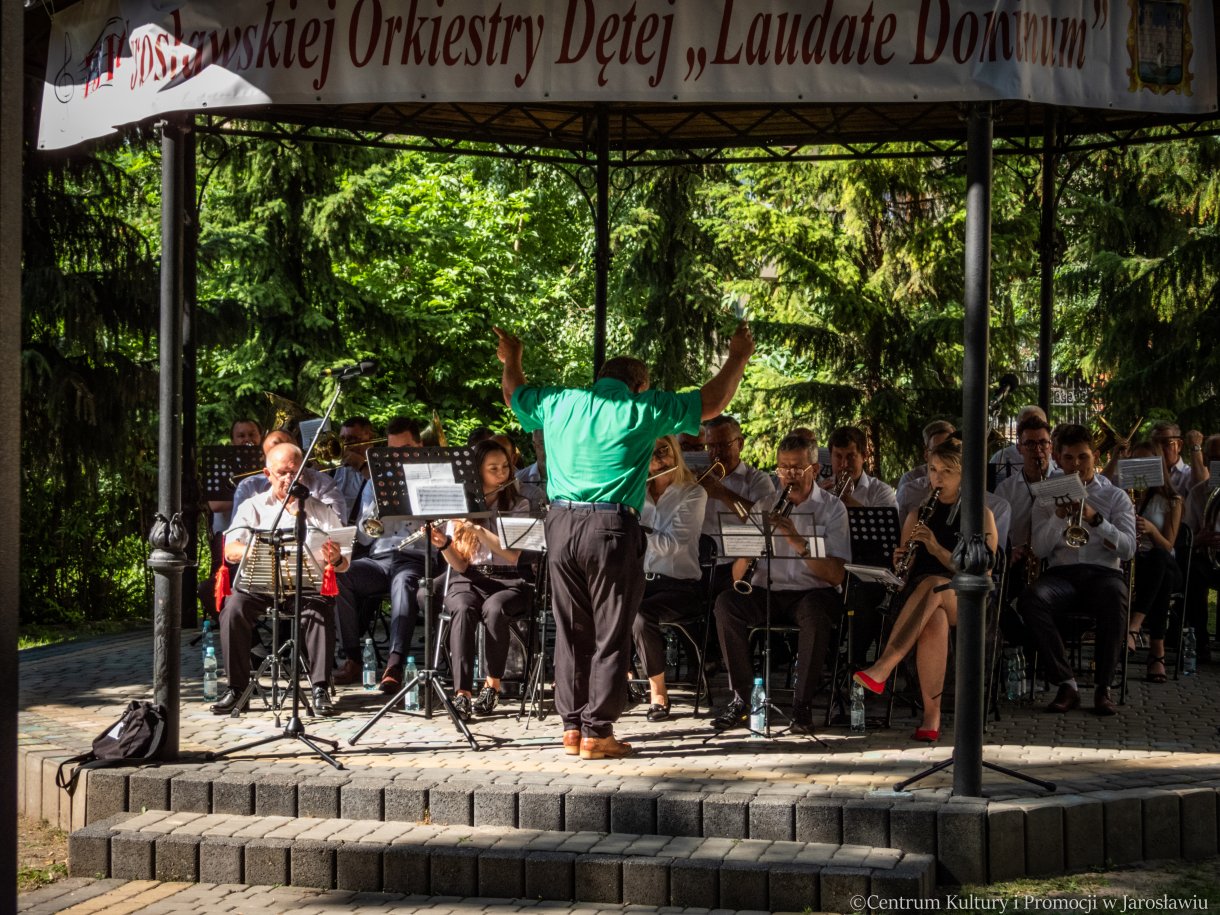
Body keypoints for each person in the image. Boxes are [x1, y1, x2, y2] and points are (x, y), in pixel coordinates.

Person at [496, 321, 753, 760]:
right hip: (610, 527)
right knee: (611, 630)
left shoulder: (559, 401)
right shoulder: (641, 407)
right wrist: (738, 357)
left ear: (599, 380)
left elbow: (512, 395)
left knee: (571, 629)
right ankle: (599, 731)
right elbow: (711, 404)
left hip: (560, 525)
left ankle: (572, 727)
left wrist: (512, 358)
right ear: (640, 384)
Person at [853, 438, 997, 741]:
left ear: (963, 476)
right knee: (935, 619)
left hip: (967, 597)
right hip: (922, 601)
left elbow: (981, 570)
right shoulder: (918, 514)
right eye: (933, 470)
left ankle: (884, 665)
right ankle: (931, 718)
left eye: (947, 471)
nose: (938, 478)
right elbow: (904, 576)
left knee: (935, 583)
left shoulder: (980, 515)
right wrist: (901, 561)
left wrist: (935, 546)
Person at [711, 434, 850, 734]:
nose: (789, 476)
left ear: (814, 468)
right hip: (767, 592)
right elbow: (737, 578)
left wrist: (797, 541)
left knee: (815, 612)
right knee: (726, 604)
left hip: (813, 592)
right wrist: (750, 549)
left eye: (797, 468)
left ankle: (802, 706)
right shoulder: (763, 505)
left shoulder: (832, 509)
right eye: (783, 468)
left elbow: (837, 575)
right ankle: (743, 698)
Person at [212, 442, 349, 716]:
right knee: (233, 609)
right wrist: (255, 548)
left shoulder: (321, 511)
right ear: (268, 473)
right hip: (260, 585)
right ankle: (237, 689)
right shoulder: (253, 507)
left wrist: (334, 558)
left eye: (294, 472)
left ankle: (320, 688)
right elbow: (230, 549)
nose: (289, 479)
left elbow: (344, 563)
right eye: (282, 473)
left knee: (321, 609)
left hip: (305, 586)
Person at [1019, 424, 1136, 716]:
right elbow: (1041, 550)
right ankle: (1066, 683)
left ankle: (1103, 688)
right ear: (1058, 458)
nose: (1076, 465)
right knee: (1032, 598)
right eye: (1069, 458)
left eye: (1083, 457)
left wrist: (1097, 520)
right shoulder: (1047, 495)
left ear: (1095, 456)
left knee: (1114, 597)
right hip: (1063, 574)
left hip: (1103, 573)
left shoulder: (1115, 497)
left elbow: (1128, 549)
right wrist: (1059, 516)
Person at [429, 439, 536, 720]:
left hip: (510, 580)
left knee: (494, 609)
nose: (502, 473)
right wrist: (444, 545)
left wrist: (476, 525)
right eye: (493, 468)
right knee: (463, 609)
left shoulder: (518, 504)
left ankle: (492, 686)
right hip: (469, 579)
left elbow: (513, 554)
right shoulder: (458, 506)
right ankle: (462, 692)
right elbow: (460, 565)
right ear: (477, 472)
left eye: (504, 467)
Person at [333, 418, 427, 689]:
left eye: (405, 448)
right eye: (392, 450)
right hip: (381, 557)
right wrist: (376, 514)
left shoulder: (433, 477)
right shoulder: (377, 481)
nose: (397, 456)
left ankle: (395, 665)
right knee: (341, 575)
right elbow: (363, 535)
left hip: (415, 554)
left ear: (419, 445)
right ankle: (352, 658)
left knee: (404, 583)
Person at [631, 435, 708, 722]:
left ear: (675, 451)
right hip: (641, 581)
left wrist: (634, 533)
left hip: (679, 586)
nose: (658, 458)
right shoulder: (636, 493)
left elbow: (675, 543)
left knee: (640, 616)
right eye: (650, 453)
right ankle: (618, 680)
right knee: (603, 605)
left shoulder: (693, 493)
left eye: (664, 450)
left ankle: (658, 693)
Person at [1125, 440, 1184, 683]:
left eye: (1146, 463)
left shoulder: (1173, 499)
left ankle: (1134, 625)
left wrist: (1151, 530)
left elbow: (1169, 545)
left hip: (1163, 559)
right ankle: (1156, 655)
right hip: (1140, 567)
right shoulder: (1128, 495)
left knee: (1160, 560)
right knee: (1162, 581)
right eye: (1135, 462)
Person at [700, 415, 777, 594]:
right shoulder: (700, 476)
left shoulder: (758, 480)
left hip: (737, 566)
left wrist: (723, 493)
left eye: (723, 445)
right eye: (711, 446)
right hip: (700, 563)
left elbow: (764, 525)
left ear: (740, 444)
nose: (716, 452)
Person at [995, 416, 1056, 587]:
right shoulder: (1006, 489)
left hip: (1057, 560)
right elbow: (999, 532)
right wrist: (1009, 551)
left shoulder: (1063, 482)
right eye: (1030, 444)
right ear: (1019, 448)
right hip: (1020, 562)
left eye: (1043, 443)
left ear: (1050, 446)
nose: (1038, 450)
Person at [895, 420, 956, 516]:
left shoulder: (981, 497)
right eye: (936, 450)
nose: (942, 456)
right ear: (926, 454)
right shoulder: (908, 491)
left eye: (949, 450)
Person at [331, 416, 376, 524]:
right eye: (342, 439)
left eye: (352, 439)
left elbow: (379, 488)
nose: (345, 445)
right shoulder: (334, 464)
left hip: (362, 532)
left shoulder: (378, 464)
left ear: (369, 437)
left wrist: (361, 465)